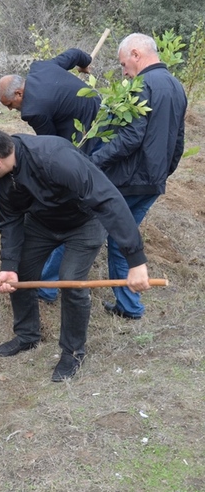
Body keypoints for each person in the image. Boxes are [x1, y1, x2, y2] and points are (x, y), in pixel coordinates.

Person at [0, 125, 150, 381]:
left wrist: (136, 260)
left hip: (84, 223)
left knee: (71, 280)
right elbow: (9, 219)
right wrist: (9, 264)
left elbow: (108, 201)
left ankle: (72, 352)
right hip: (42, 223)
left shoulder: (55, 158)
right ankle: (27, 336)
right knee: (21, 274)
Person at [90, 33, 186, 319]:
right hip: (152, 181)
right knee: (123, 238)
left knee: (84, 229)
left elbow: (131, 137)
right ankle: (129, 306)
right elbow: (178, 139)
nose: (124, 71)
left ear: (135, 54)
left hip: (128, 180)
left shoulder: (141, 84)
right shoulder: (176, 86)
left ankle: (45, 289)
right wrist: (165, 171)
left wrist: (93, 162)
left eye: (123, 64)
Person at [0, 49, 102, 302]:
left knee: (79, 182)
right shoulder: (41, 68)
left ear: (19, 93)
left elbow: (50, 145)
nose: (13, 111)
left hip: (87, 133)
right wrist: (85, 66)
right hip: (100, 111)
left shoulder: (34, 109)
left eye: (11, 105)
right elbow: (76, 54)